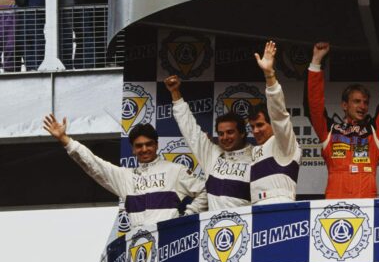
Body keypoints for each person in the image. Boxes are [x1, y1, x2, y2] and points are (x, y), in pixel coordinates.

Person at [43, 115, 207, 227]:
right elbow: (92, 163)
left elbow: (205, 191)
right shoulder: (124, 176)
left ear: (156, 145)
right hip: (138, 246)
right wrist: (64, 139)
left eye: (149, 144)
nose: (144, 149)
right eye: (139, 146)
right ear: (133, 150)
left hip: (169, 241)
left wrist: (186, 217)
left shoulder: (175, 170)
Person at [306, 38, 379, 198]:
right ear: (344, 105)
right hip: (335, 204)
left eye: (365, 102)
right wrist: (316, 62)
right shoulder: (329, 131)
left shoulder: (374, 131)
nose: (362, 106)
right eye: (357, 101)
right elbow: (315, 105)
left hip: (366, 205)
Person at [166, 75, 253, 210]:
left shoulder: (257, 157)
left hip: (245, 227)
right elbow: (190, 129)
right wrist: (175, 92)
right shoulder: (211, 154)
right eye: (221, 133)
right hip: (214, 229)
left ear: (242, 133)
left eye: (230, 132)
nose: (225, 137)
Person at [250, 40, 302, 204]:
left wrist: (269, 75)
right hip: (255, 210)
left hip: (280, 208)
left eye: (260, 125)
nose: (256, 131)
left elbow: (279, 114)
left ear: (272, 123)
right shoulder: (254, 151)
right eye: (252, 127)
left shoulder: (283, 143)